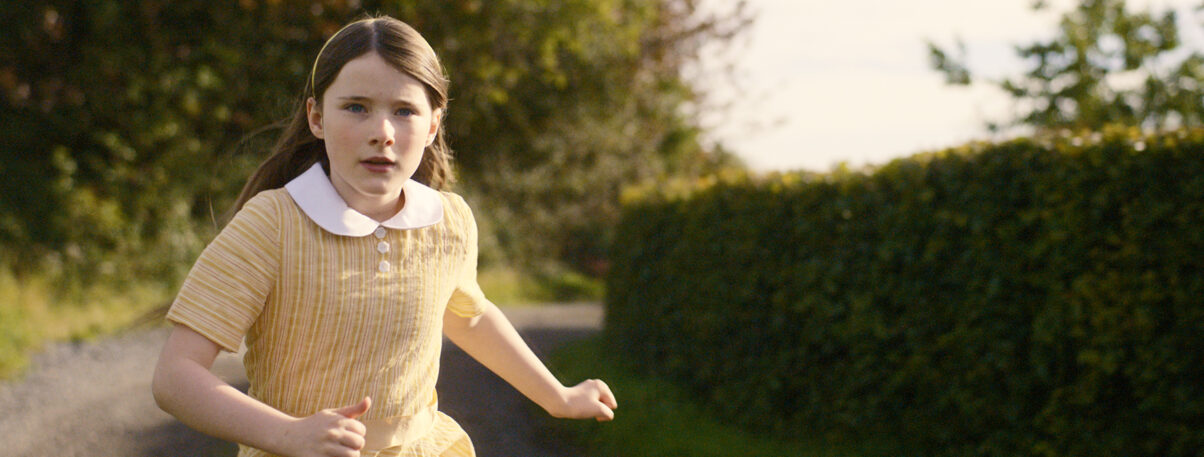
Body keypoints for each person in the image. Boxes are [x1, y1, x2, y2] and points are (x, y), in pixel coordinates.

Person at [151, 15, 617, 457]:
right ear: (316, 117)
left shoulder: (449, 221)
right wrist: (290, 434)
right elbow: (175, 378)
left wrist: (557, 396)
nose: (382, 132)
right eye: (356, 107)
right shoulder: (271, 223)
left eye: (404, 110)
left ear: (433, 125)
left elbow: (469, 317)